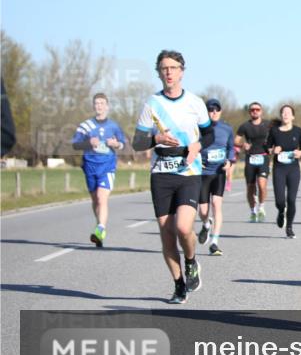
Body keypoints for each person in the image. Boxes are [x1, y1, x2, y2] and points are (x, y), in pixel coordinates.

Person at [132, 50, 213, 305]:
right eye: (163, 68)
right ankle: (179, 285)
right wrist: (156, 138)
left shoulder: (195, 102)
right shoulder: (152, 104)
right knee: (167, 234)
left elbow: (209, 135)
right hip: (161, 174)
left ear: (182, 72)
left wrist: (197, 146)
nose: (168, 72)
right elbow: (137, 142)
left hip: (188, 172)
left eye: (173, 68)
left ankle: (191, 262)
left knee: (183, 228)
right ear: (158, 73)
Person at [71, 93, 126, 247]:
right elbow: (75, 144)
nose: (99, 106)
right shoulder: (86, 126)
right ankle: (99, 228)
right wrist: (88, 143)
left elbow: (123, 144)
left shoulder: (114, 126)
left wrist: (116, 144)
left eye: (102, 103)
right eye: (96, 103)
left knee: (102, 198)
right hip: (89, 166)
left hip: (107, 166)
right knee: (95, 200)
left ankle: (101, 228)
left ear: (107, 106)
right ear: (93, 106)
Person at [197, 98, 235, 256]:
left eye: (216, 109)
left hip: (219, 172)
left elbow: (231, 148)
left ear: (220, 111)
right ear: (206, 112)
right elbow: (191, 147)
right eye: (211, 109)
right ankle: (206, 224)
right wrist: (197, 160)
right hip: (203, 173)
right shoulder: (198, 128)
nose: (214, 112)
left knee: (216, 204)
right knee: (203, 211)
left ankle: (214, 242)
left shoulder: (227, 128)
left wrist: (229, 161)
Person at [267, 104, 301, 238]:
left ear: (293, 116)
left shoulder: (298, 131)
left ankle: (289, 227)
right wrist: (273, 150)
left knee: (291, 199)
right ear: (281, 115)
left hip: (293, 169)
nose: (286, 114)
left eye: (288, 112)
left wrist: (300, 153)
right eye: (283, 112)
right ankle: (280, 212)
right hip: (279, 169)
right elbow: (267, 147)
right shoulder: (274, 131)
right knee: (280, 200)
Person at [236, 102, 270, 222]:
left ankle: (261, 207)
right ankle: (253, 211)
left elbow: (276, 136)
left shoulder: (268, 124)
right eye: (252, 110)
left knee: (261, 184)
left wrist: (272, 146)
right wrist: (242, 144)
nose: (255, 111)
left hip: (263, 157)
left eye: (257, 109)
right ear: (250, 112)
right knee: (250, 187)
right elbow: (236, 140)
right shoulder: (245, 126)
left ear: (261, 111)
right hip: (250, 158)